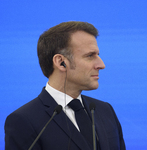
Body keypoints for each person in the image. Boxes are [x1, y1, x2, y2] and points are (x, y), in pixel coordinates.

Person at [4, 21, 126, 150]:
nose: (101, 65)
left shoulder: (105, 111)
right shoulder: (23, 120)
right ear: (61, 62)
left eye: (98, 55)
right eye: (90, 56)